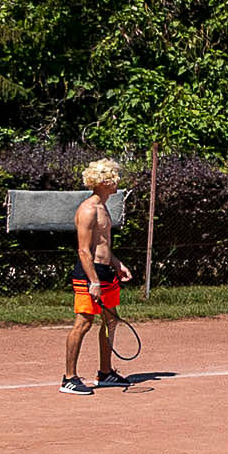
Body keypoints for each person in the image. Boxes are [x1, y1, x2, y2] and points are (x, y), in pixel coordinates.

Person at [61, 159, 134, 394]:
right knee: (83, 323)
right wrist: (93, 281)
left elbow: (102, 245)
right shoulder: (88, 209)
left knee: (111, 321)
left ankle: (105, 373)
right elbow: (84, 250)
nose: (117, 182)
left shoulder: (103, 207)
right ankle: (69, 378)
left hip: (105, 273)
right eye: (114, 177)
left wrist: (117, 264)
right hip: (89, 274)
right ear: (104, 181)